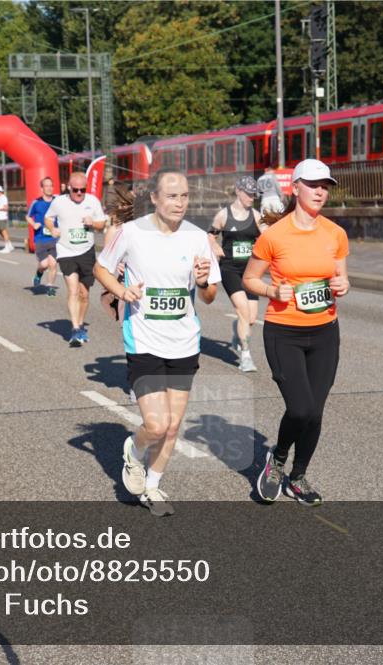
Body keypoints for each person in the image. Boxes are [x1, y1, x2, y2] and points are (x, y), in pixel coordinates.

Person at [94, 168, 221, 517]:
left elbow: (209, 296)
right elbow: (101, 268)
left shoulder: (198, 238)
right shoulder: (131, 234)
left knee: (174, 426)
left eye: (184, 196)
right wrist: (122, 291)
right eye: (171, 196)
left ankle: (152, 486)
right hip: (145, 342)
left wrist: (204, 279)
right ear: (154, 198)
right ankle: (133, 453)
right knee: (156, 425)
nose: (179, 203)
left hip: (184, 343)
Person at [242, 159, 350, 506]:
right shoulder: (275, 235)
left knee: (315, 412)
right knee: (301, 409)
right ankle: (277, 459)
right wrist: (272, 291)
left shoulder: (335, 234)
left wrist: (343, 284)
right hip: (284, 332)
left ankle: (298, 477)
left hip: (324, 333)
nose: (321, 191)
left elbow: (340, 277)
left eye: (326, 186)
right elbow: (249, 279)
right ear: (296, 188)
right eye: (314, 184)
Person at [208, 176, 267, 373]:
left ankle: (238, 331)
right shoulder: (223, 215)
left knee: (250, 318)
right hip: (230, 269)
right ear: (238, 191)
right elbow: (210, 235)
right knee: (242, 310)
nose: (252, 198)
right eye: (249, 194)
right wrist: (215, 246)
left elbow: (268, 237)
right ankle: (246, 356)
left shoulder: (257, 217)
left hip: (251, 271)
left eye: (254, 195)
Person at [45, 172, 108, 347]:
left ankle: (80, 324)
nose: (79, 193)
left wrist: (92, 223)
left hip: (86, 250)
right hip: (66, 251)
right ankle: (74, 327)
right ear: (68, 187)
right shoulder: (59, 202)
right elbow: (48, 218)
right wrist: (52, 229)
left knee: (84, 294)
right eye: (75, 190)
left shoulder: (92, 201)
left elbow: (102, 224)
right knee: (73, 291)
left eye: (82, 190)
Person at [26, 176, 57, 295]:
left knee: (53, 264)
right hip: (40, 238)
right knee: (44, 264)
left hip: (54, 238)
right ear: (42, 188)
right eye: (46, 186)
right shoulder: (36, 203)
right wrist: (33, 224)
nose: (49, 188)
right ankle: (39, 273)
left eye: (51, 185)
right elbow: (28, 216)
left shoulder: (57, 201)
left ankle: (50, 288)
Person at [0, 185, 14, 253]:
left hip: (2, 217)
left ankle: (7, 247)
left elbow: (6, 208)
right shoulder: (0, 198)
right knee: (1, 232)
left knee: (4, 232)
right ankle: (9, 245)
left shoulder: (3, 197)